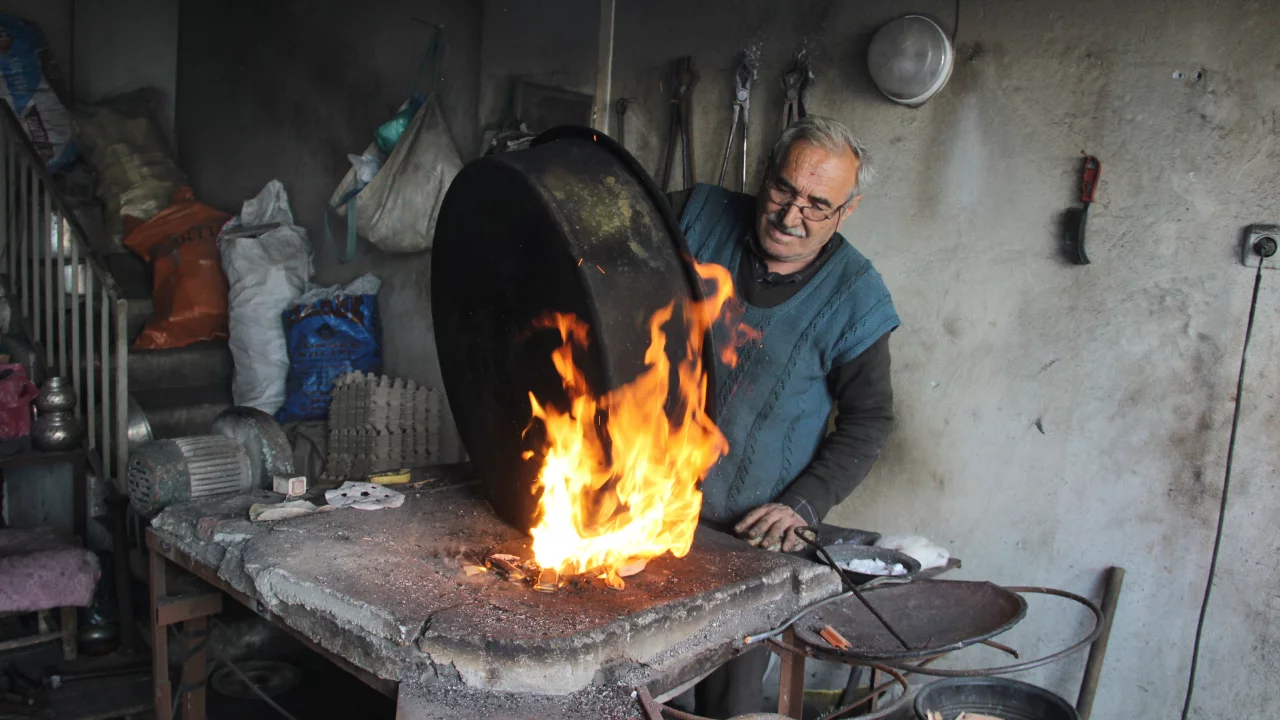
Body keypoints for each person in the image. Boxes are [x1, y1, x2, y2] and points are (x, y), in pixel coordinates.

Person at [671, 116, 899, 718]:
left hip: (749, 542)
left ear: (847, 211)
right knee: (633, 680)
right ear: (765, 175)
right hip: (646, 508)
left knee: (728, 699)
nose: (790, 215)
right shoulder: (696, 214)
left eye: (817, 205)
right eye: (782, 190)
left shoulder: (856, 296)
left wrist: (804, 504)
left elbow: (869, 419)